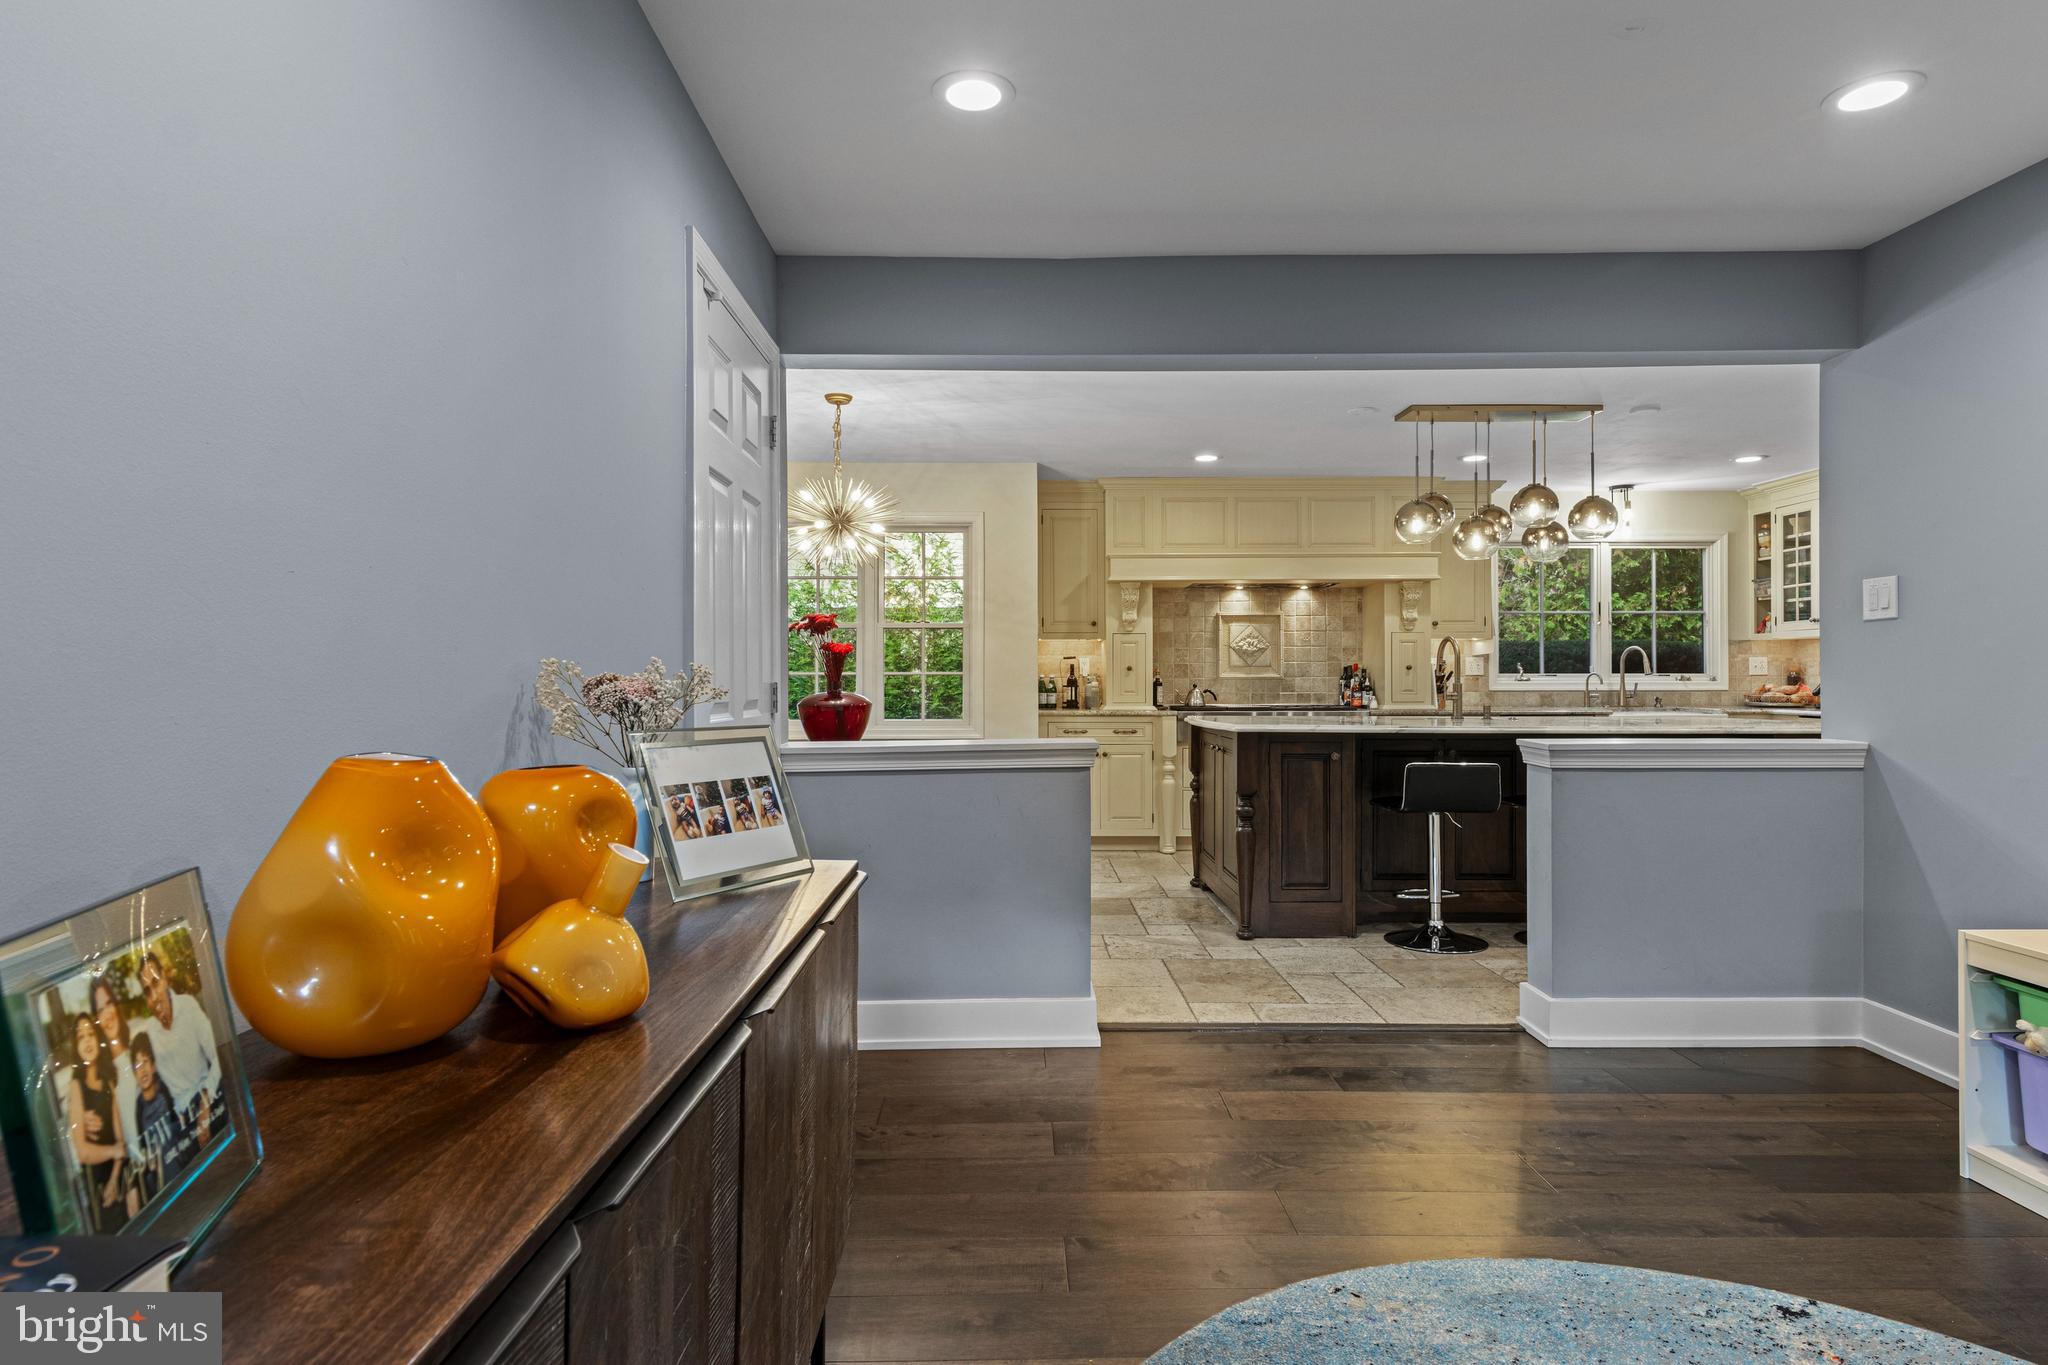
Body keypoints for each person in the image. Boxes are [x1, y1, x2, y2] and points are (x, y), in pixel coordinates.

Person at [135, 951, 221, 1149]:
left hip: (208, 1095)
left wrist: (206, 1104)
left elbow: (216, 1055)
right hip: (181, 1114)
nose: (154, 996)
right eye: (147, 991)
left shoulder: (188, 1006)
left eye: (156, 983)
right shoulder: (149, 1029)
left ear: (165, 978)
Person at [64, 1013, 127, 1232]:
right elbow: (82, 1151)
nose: (88, 1040)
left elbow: (121, 1140)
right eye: (81, 1036)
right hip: (94, 1181)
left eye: (91, 1033)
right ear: (75, 1045)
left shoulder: (108, 1081)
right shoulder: (76, 1085)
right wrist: (113, 1152)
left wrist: (115, 1177)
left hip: (116, 1175)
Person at [128, 1031, 184, 1200]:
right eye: (137, 1066)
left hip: (180, 1173)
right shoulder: (139, 1106)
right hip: (160, 1187)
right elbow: (143, 1147)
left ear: (153, 1065)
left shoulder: (166, 1092)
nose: (142, 1071)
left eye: (145, 1062)